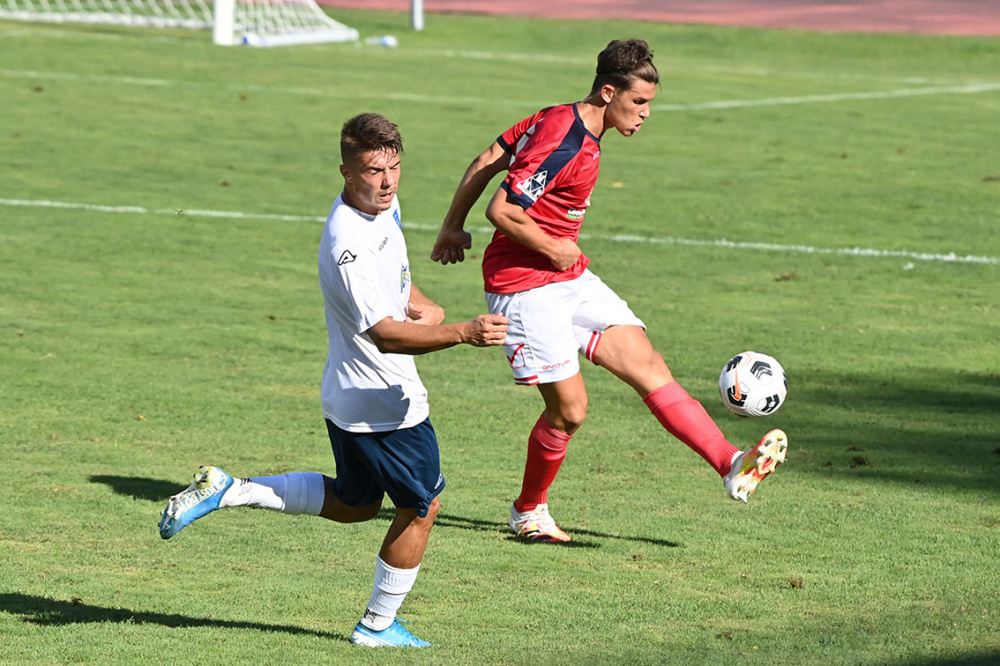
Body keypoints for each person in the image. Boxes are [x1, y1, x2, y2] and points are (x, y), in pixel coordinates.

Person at [158, 112, 509, 646]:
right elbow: (385, 335)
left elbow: (397, 287)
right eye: (373, 170)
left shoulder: (382, 208)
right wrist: (463, 331)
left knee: (356, 503)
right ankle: (376, 626)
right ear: (346, 171)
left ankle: (230, 491)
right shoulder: (348, 243)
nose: (387, 181)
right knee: (422, 505)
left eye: (394, 167)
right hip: (383, 401)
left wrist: (421, 304)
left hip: (350, 394)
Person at [430, 39, 787, 543]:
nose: (644, 115)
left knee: (648, 363)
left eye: (649, 105)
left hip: (567, 278)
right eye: (638, 102)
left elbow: (490, 155)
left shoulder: (560, 118)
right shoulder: (564, 139)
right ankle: (529, 510)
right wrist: (551, 247)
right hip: (525, 286)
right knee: (570, 411)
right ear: (607, 91)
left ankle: (730, 462)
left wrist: (450, 226)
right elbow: (504, 211)